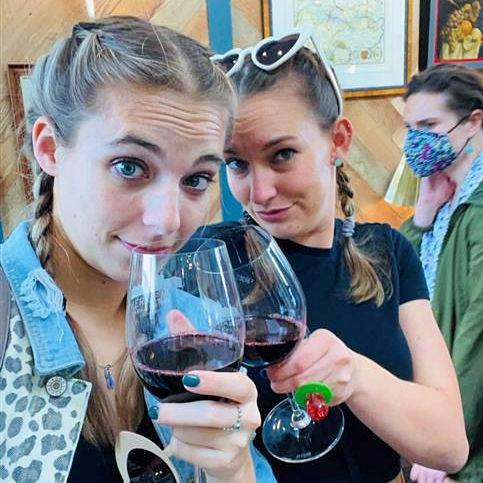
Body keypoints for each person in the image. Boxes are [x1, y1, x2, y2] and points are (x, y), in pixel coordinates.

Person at [0, 16, 276, 483]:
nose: (167, 221)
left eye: (197, 179)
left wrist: (233, 467)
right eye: (130, 166)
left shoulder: (194, 324)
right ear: (49, 149)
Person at [208, 31, 469, 482]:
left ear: (339, 140)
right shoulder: (213, 261)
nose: (259, 192)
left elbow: (449, 446)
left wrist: (355, 376)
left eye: (282, 155)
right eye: (236, 163)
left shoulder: (388, 252)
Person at [400, 63, 483, 483]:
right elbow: (394, 279)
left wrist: (446, 441)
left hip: (466, 435)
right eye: (410, 128)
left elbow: (478, 332)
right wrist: (422, 217)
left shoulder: (478, 209)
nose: (417, 140)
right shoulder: (445, 193)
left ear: (473, 122)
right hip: (432, 396)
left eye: (429, 125)